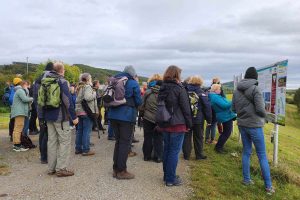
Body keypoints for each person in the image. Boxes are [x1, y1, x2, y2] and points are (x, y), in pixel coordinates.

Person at [232, 67, 275, 195]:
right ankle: (268, 187)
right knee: (262, 155)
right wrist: (266, 115)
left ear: (245, 76)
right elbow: (261, 110)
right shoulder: (256, 89)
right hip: (255, 126)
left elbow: (233, 109)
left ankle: (246, 180)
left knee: (246, 152)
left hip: (242, 125)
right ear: (256, 77)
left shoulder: (236, 91)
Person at [158, 65, 192, 186]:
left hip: (165, 123)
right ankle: (170, 179)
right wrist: (189, 124)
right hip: (178, 124)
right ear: (177, 75)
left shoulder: (162, 87)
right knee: (174, 152)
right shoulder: (179, 88)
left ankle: (166, 175)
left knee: (167, 149)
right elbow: (186, 108)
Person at [43, 62, 78, 177]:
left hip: (48, 116)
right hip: (61, 117)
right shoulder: (62, 82)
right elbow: (67, 101)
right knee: (64, 142)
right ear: (62, 70)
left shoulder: (45, 81)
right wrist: (74, 117)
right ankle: (61, 168)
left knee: (52, 142)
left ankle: (51, 168)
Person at [108, 65, 142, 180]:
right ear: (132, 74)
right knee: (125, 143)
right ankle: (121, 171)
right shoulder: (133, 83)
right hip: (126, 116)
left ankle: (115, 169)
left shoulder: (115, 80)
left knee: (118, 142)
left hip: (113, 115)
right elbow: (139, 100)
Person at [182, 75, 212, 160]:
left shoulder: (184, 92)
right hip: (198, 120)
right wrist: (209, 120)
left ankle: (186, 155)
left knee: (186, 137)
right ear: (200, 82)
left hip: (186, 119)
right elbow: (207, 108)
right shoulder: (202, 93)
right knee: (198, 137)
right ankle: (199, 155)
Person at [33, 62, 54, 164]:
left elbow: (36, 97)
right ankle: (45, 157)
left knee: (42, 133)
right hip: (46, 110)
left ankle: (43, 155)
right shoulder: (48, 78)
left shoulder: (38, 79)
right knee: (47, 134)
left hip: (39, 110)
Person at [140, 74, 163, 163]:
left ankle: (146, 156)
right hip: (160, 119)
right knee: (159, 138)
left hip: (147, 118)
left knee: (147, 137)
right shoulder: (164, 93)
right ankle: (158, 157)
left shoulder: (148, 92)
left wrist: (142, 115)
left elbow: (142, 105)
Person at [208, 84, 236, 154]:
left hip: (225, 115)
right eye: (219, 89)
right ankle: (218, 147)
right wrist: (233, 101)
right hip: (225, 116)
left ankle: (219, 146)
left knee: (225, 132)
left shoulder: (215, 96)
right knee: (227, 132)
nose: (220, 90)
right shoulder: (215, 97)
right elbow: (225, 105)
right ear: (215, 90)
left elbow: (225, 102)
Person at [75, 73, 98, 156]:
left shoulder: (79, 86)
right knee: (86, 131)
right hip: (86, 111)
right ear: (88, 79)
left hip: (79, 111)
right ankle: (85, 150)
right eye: (90, 78)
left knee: (80, 130)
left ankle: (78, 148)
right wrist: (94, 93)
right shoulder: (87, 87)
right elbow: (87, 98)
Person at [11, 80, 33, 152]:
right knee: (18, 128)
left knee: (17, 128)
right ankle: (17, 145)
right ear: (24, 84)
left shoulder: (19, 90)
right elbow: (25, 99)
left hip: (19, 112)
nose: (27, 86)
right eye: (27, 85)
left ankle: (16, 144)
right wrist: (32, 98)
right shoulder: (20, 90)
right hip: (20, 112)